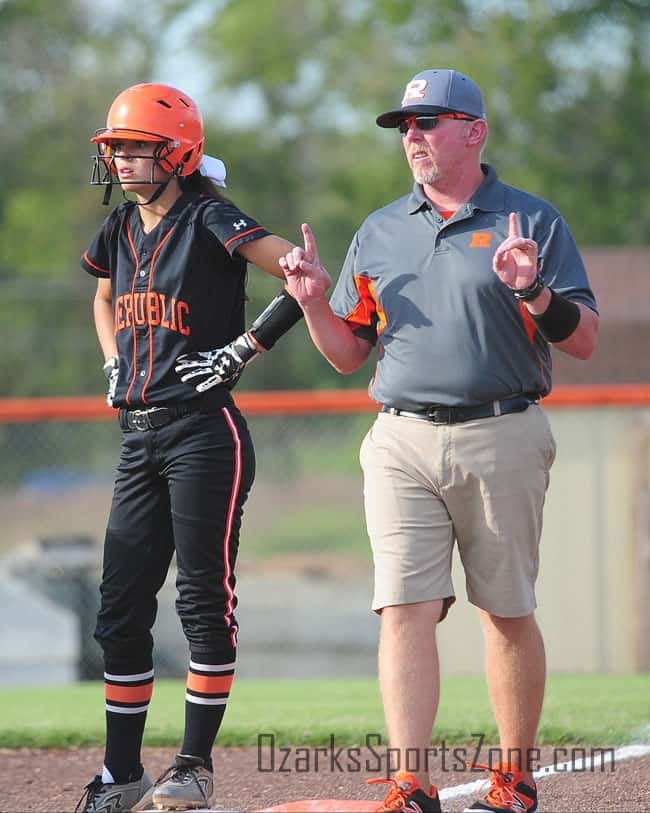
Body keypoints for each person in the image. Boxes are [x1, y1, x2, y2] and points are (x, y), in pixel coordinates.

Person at [273, 69, 598, 813]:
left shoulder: (530, 219)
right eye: (404, 126)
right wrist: (316, 303)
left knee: (506, 610)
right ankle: (410, 782)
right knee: (403, 606)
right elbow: (349, 353)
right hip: (400, 438)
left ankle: (514, 778)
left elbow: (582, 338)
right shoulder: (380, 230)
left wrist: (532, 290)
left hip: (502, 431)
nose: (411, 136)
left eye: (428, 121)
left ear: (474, 131)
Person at [76, 82, 303, 813]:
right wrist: (113, 359)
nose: (126, 162)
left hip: (206, 430)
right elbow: (105, 297)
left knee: (202, 599)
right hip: (138, 437)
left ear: (179, 151)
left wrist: (243, 348)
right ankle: (120, 775)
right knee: (118, 607)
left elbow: (300, 275)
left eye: (139, 148)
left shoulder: (210, 214)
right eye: (118, 149)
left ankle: (193, 767)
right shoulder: (118, 227)